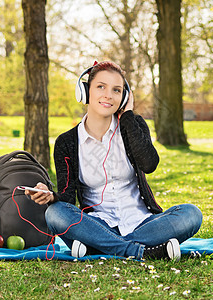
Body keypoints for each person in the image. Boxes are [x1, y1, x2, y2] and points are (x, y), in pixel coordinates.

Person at [26, 61, 202, 260]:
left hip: (142, 223)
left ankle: (97, 248)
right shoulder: (66, 142)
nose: (108, 95)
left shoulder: (133, 126)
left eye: (117, 90)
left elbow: (149, 164)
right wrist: (51, 197)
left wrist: (127, 115)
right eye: (101, 86)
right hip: (96, 224)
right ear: (85, 91)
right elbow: (67, 197)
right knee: (55, 213)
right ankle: (140, 251)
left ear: (124, 97)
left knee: (191, 214)